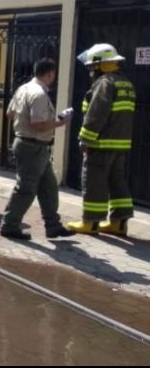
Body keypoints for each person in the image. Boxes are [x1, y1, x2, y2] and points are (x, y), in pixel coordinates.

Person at [0, 59, 75, 240]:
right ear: (48, 74)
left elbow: (10, 113)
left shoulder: (23, 89)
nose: (54, 78)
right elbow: (39, 125)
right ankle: (9, 226)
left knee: (49, 187)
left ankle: (53, 226)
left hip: (32, 146)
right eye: (53, 74)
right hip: (32, 146)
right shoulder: (39, 94)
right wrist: (60, 122)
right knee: (26, 189)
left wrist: (22, 122)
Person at [68, 43, 136, 236]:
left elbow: (96, 113)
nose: (90, 69)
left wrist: (85, 139)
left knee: (93, 182)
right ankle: (119, 223)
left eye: (92, 66)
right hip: (120, 144)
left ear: (101, 65)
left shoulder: (104, 83)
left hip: (101, 143)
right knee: (117, 182)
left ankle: (91, 222)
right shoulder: (125, 83)